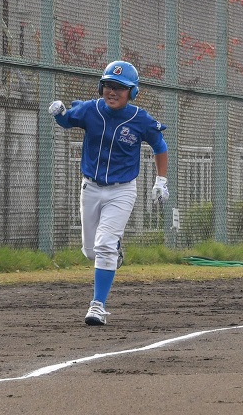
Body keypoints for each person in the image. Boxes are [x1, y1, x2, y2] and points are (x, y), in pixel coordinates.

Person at [49, 60, 169, 326]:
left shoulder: (140, 119)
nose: (112, 92)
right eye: (108, 86)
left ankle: (98, 306)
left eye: (120, 88)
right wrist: (58, 113)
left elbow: (160, 145)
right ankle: (114, 249)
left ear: (132, 92)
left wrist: (161, 180)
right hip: (90, 187)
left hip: (122, 191)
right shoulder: (91, 110)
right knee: (91, 252)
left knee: (103, 247)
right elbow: (68, 119)